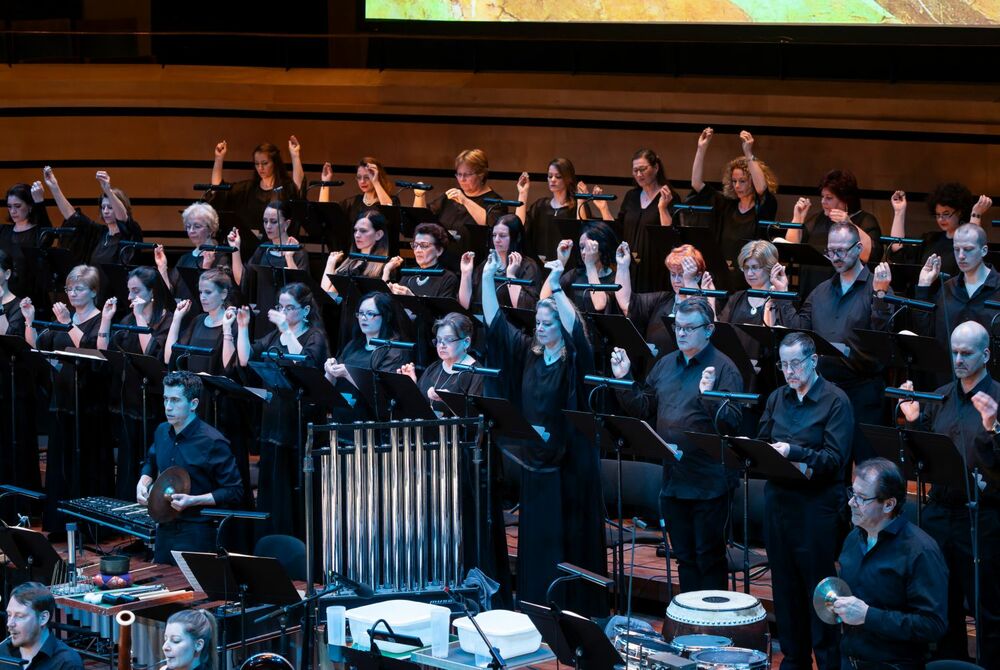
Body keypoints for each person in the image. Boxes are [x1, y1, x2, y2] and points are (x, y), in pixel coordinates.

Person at [481, 249, 606, 617]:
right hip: (536, 463)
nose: (540, 327)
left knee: (565, 539)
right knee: (536, 539)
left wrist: (555, 286)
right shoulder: (530, 354)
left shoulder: (573, 361)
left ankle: (569, 609)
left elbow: (576, 332)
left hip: (569, 467)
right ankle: (536, 605)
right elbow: (496, 327)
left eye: (547, 323)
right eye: (537, 321)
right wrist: (488, 279)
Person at [612, 297, 743, 592]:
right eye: (677, 327)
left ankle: (712, 626)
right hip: (673, 480)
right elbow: (644, 408)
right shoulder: (666, 365)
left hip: (710, 483)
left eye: (688, 328)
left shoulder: (724, 369)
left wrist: (709, 396)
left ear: (708, 330)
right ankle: (689, 624)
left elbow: (732, 425)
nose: (680, 333)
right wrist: (624, 379)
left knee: (708, 558)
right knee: (684, 557)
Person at [898, 320, 1000, 667]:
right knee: (943, 601)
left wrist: (993, 428)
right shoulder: (940, 396)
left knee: (987, 606)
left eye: (966, 353)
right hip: (941, 513)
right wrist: (912, 422)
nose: (958, 359)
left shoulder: (997, 398)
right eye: (954, 352)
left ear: (986, 354)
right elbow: (921, 459)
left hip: (982, 516)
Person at [757, 332, 854, 670]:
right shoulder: (777, 398)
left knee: (819, 592)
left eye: (795, 364)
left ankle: (828, 662)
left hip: (817, 509)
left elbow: (834, 460)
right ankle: (794, 660)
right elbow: (762, 440)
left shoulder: (836, 401)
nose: (789, 372)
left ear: (813, 361)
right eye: (784, 365)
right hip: (779, 505)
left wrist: (793, 451)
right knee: (784, 589)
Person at [771, 222, 893, 463]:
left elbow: (884, 340)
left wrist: (880, 296)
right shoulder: (821, 292)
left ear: (858, 249)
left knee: (867, 462)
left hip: (863, 391)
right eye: (830, 251)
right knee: (830, 462)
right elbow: (800, 332)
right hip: (826, 392)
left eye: (841, 251)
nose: (835, 257)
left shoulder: (878, 288)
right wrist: (783, 293)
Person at [831, 458, 948, 670]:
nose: (851, 503)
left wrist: (868, 616)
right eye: (852, 493)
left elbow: (932, 625)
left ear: (889, 504)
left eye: (861, 498)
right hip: (849, 661)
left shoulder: (920, 551)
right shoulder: (853, 539)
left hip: (893, 666)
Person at [22, 264, 112, 531]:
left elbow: (92, 350)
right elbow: (36, 345)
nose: (72, 293)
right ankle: (61, 524)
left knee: (84, 463)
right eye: (69, 288)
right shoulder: (66, 320)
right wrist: (29, 322)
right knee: (61, 465)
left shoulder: (98, 320)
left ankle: (87, 526)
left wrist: (66, 323)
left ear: (93, 291)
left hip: (88, 405)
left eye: (79, 288)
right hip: (61, 403)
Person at [235, 282, 329, 538]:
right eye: (280, 307)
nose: (283, 312)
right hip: (274, 418)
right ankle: (271, 538)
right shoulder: (275, 336)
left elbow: (305, 365)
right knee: (272, 484)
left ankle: (296, 540)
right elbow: (245, 359)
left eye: (290, 308)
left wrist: (285, 329)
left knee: (292, 483)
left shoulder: (314, 337)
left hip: (299, 421)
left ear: (305, 310)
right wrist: (242, 327)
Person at [137, 371, 243, 564]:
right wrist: (143, 481)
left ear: (193, 404)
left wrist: (193, 500)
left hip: (197, 532)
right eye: (166, 399)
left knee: (191, 592)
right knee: (164, 585)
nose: (168, 407)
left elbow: (234, 491)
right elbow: (151, 461)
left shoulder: (213, 442)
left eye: (175, 400)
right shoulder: (162, 431)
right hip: (164, 527)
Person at [97, 266, 174, 501]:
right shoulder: (128, 318)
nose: (130, 298)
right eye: (128, 291)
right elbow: (104, 352)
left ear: (152, 292)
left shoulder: (166, 320)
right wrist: (105, 320)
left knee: (149, 460)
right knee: (128, 460)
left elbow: (151, 351)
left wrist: (141, 316)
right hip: (128, 400)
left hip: (153, 402)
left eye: (136, 291)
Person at [902, 224, 1000, 378]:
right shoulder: (947, 288)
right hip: (949, 381)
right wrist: (923, 285)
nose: (960, 256)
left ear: (984, 251)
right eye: (956, 249)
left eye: (967, 249)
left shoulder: (998, 288)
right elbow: (926, 332)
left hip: (991, 385)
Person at [589, 148, 680, 292]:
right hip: (629, 266)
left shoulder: (669, 196)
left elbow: (668, 236)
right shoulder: (631, 196)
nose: (638, 174)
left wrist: (662, 208)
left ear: (656, 168)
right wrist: (603, 208)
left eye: (643, 169)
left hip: (655, 268)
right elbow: (618, 231)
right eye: (635, 170)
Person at [688, 128, 779, 266]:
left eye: (742, 181)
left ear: (752, 181)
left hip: (752, 271)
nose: (737, 186)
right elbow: (696, 183)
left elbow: (761, 188)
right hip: (725, 271)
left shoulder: (764, 205)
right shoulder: (727, 204)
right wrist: (701, 149)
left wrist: (748, 153)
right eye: (734, 181)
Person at [614, 242, 712, 361]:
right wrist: (622, 266)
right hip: (656, 371)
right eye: (672, 274)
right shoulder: (662, 299)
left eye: (681, 275)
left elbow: (698, 315)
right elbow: (626, 303)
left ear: (697, 276)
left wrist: (690, 281)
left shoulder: (707, 305)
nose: (676, 280)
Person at [0, 249, 42, 517]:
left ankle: (17, 505)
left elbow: (6, 338)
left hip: (13, 385)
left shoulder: (18, 305)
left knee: (13, 442)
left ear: (6, 273)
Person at [41, 166, 143, 267]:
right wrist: (54, 187)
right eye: (103, 207)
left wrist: (108, 191)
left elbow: (124, 220)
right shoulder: (99, 233)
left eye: (110, 207)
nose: (105, 211)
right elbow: (73, 216)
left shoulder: (131, 232)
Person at [414, 149, 505, 256]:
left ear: (481, 174)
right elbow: (422, 220)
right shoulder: (450, 196)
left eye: (467, 175)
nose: (462, 179)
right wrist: (419, 195)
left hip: (474, 262)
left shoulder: (495, 201)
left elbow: (491, 225)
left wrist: (465, 201)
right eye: (459, 174)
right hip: (444, 261)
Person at [887, 185, 992, 277]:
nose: (941, 219)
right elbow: (898, 251)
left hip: (953, 297)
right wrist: (899, 211)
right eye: (938, 215)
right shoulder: (930, 239)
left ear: (959, 212)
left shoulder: (965, 242)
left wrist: (976, 215)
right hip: (925, 296)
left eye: (946, 214)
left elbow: (972, 255)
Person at [785, 169, 883, 266]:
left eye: (829, 197)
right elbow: (791, 248)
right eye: (822, 197)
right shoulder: (819, 218)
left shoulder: (865, 220)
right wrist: (797, 217)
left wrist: (849, 225)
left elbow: (871, 256)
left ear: (845, 199)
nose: (823, 201)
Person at [208, 138, 304, 233]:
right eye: (257, 164)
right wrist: (219, 159)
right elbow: (218, 190)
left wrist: (295, 156)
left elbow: (298, 188)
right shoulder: (247, 189)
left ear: (275, 163)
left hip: (279, 245)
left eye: (265, 163)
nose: (260, 168)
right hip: (251, 246)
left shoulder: (284, 188)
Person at [459, 214, 541, 311]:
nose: (496, 240)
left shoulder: (528, 266)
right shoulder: (486, 264)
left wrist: (511, 275)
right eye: (494, 235)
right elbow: (464, 306)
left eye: (502, 236)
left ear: (517, 237)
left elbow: (524, 308)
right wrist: (466, 273)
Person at [154, 203, 230, 303]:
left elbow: (211, 296)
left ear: (211, 229)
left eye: (197, 226)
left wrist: (206, 267)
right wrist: (162, 267)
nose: (191, 231)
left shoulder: (221, 258)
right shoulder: (184, 258)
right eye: (188, 226)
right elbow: (169, 294)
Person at [515, 158, 588, 261]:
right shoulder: (540, 206)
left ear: (568, 179)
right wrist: (523, 194)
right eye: (550, 176)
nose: (553, 179)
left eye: (558, 176)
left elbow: (583, 234)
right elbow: (518, 226)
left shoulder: (576, 206)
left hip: (568, 268)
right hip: (540, 267)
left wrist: (581, 201)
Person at [540, 222, 619, 315]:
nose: (584, 252)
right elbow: (544, 298)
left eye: (589, 247)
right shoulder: (574, 274)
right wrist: (561, 262)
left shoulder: (614, 278)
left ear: (601, 247)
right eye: (582, 247)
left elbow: (599, 304)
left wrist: (590, 265)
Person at [0, 582, 83, 670]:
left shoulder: (68, 663)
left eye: (19, 616)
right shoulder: (3, 651)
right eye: (9, 615)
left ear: (43, 618)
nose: (9, 623)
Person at [1, 181, 53, 310]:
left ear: (30, 206)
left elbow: (48, 236)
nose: (13, 211)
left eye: (17, 206)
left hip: (32, 301)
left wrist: (40, 201)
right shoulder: (3, 231)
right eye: (9, 206)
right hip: (6, 301)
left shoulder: (39, 232)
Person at [386, 222, 459, 298]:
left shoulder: (448, 278)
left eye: (424, 245)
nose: (418, 250)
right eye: (415, 245)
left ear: (439, 251)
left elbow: (442, 309)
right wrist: (386, 271)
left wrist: (411, 297)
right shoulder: (409, 274)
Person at [319, 157, 400, 224]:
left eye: (367, 177)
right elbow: (324, 214)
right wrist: (325, 183)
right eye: (359, 177)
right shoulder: (351, 203)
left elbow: (390, 212)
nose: (362, 181)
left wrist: (376, 182)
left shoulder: (392, 200)